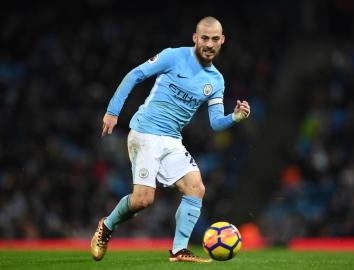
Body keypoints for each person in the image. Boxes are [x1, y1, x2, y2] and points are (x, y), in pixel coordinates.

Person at [91, 16, 250, 263]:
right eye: (204, 38)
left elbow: (216, 122)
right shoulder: (173, 56)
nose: (209, 44)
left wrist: (236, 117)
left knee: (196, 187)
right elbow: (135, 74)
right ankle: (107, 225)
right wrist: (113, 111)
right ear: (195, 38)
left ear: (222, 41)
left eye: (214, 39)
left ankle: (179, 250)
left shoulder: (216, 81)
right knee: (143, 200)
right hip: (146, 133)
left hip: (172, 139)